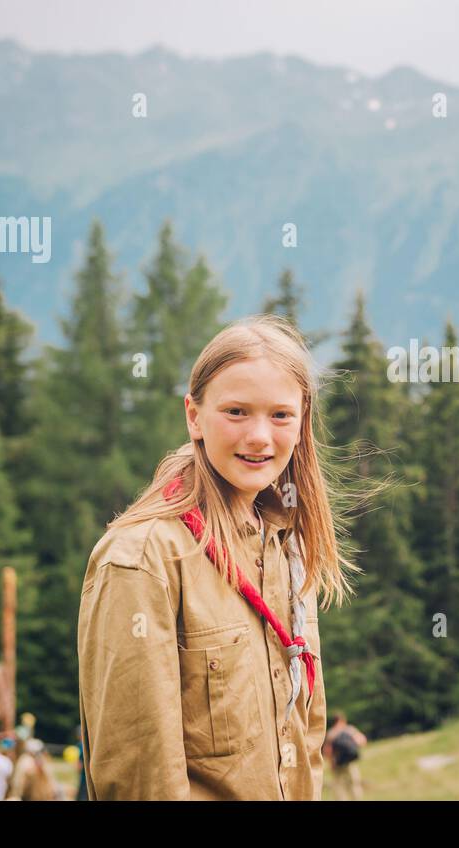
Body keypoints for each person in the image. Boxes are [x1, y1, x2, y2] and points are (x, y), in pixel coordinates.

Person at [78, 315, 359, 801]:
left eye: (280, 415)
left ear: (302, 420)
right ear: (194, 416)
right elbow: (140, 778)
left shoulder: (287, 545)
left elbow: (306, 738)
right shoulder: (142, 560)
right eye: (235, 412)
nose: (259, 436)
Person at [323, 713, 367, 801]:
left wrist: (331, 762)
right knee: (354, 783)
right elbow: (362, 740)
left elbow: (328, 751)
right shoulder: (350, 729)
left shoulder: (331, 733)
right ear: (343, 720)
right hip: (350, 762)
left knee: (339, 785)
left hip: (337, 763)